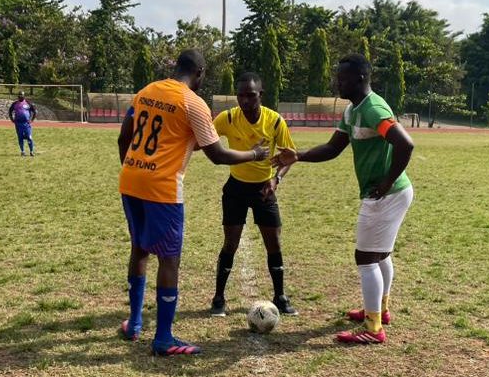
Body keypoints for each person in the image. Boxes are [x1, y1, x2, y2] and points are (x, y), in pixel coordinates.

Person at [117, 49, 268, 356]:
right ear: (200, 73)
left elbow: (124, 137)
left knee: (139, 248)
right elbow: (218, 155)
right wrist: (254, 154)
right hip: (162, 189)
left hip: (131, 180)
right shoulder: (192, 103)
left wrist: (135, 170)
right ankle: (163, 338)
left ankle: (133, 324)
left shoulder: (147, 91)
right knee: (169, 259)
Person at [273, 54, 414, 344]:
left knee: (365, 257)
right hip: (389, 193)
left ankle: (374, 328)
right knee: (381, 254)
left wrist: (386, 182)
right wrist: (298, 156)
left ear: (361, 78)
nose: (338, 81)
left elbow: (405, 143)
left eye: (343, 77)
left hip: (387, 193)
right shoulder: (352, 111)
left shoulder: (373, 108)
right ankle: (380, 310)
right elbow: (334, 147)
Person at [210, 72, 297, 317]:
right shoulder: (227, 118)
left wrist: (276, 178)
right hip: (236, 188)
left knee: (274, 243)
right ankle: (218, 298)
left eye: (251, 95)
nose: (245, 101)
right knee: (231, 242)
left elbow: (289, 157)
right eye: (240, 96)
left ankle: (280, 296)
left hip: (264, 189)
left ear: (261, 94)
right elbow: (206, 140)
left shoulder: (275, 121)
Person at [8, 92, 36, 156]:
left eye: (21, 95)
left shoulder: (28, 103)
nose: (20, 96)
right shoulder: (15, 104)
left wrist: (31, 120)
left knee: (29, 137)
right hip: (18, 124)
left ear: (24, 96)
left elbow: (34, 111)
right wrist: (12, 119)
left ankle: (31, 151)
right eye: (19, 95)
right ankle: (22, 151)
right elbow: (10, 111)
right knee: (20, 137)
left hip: (26, 124)